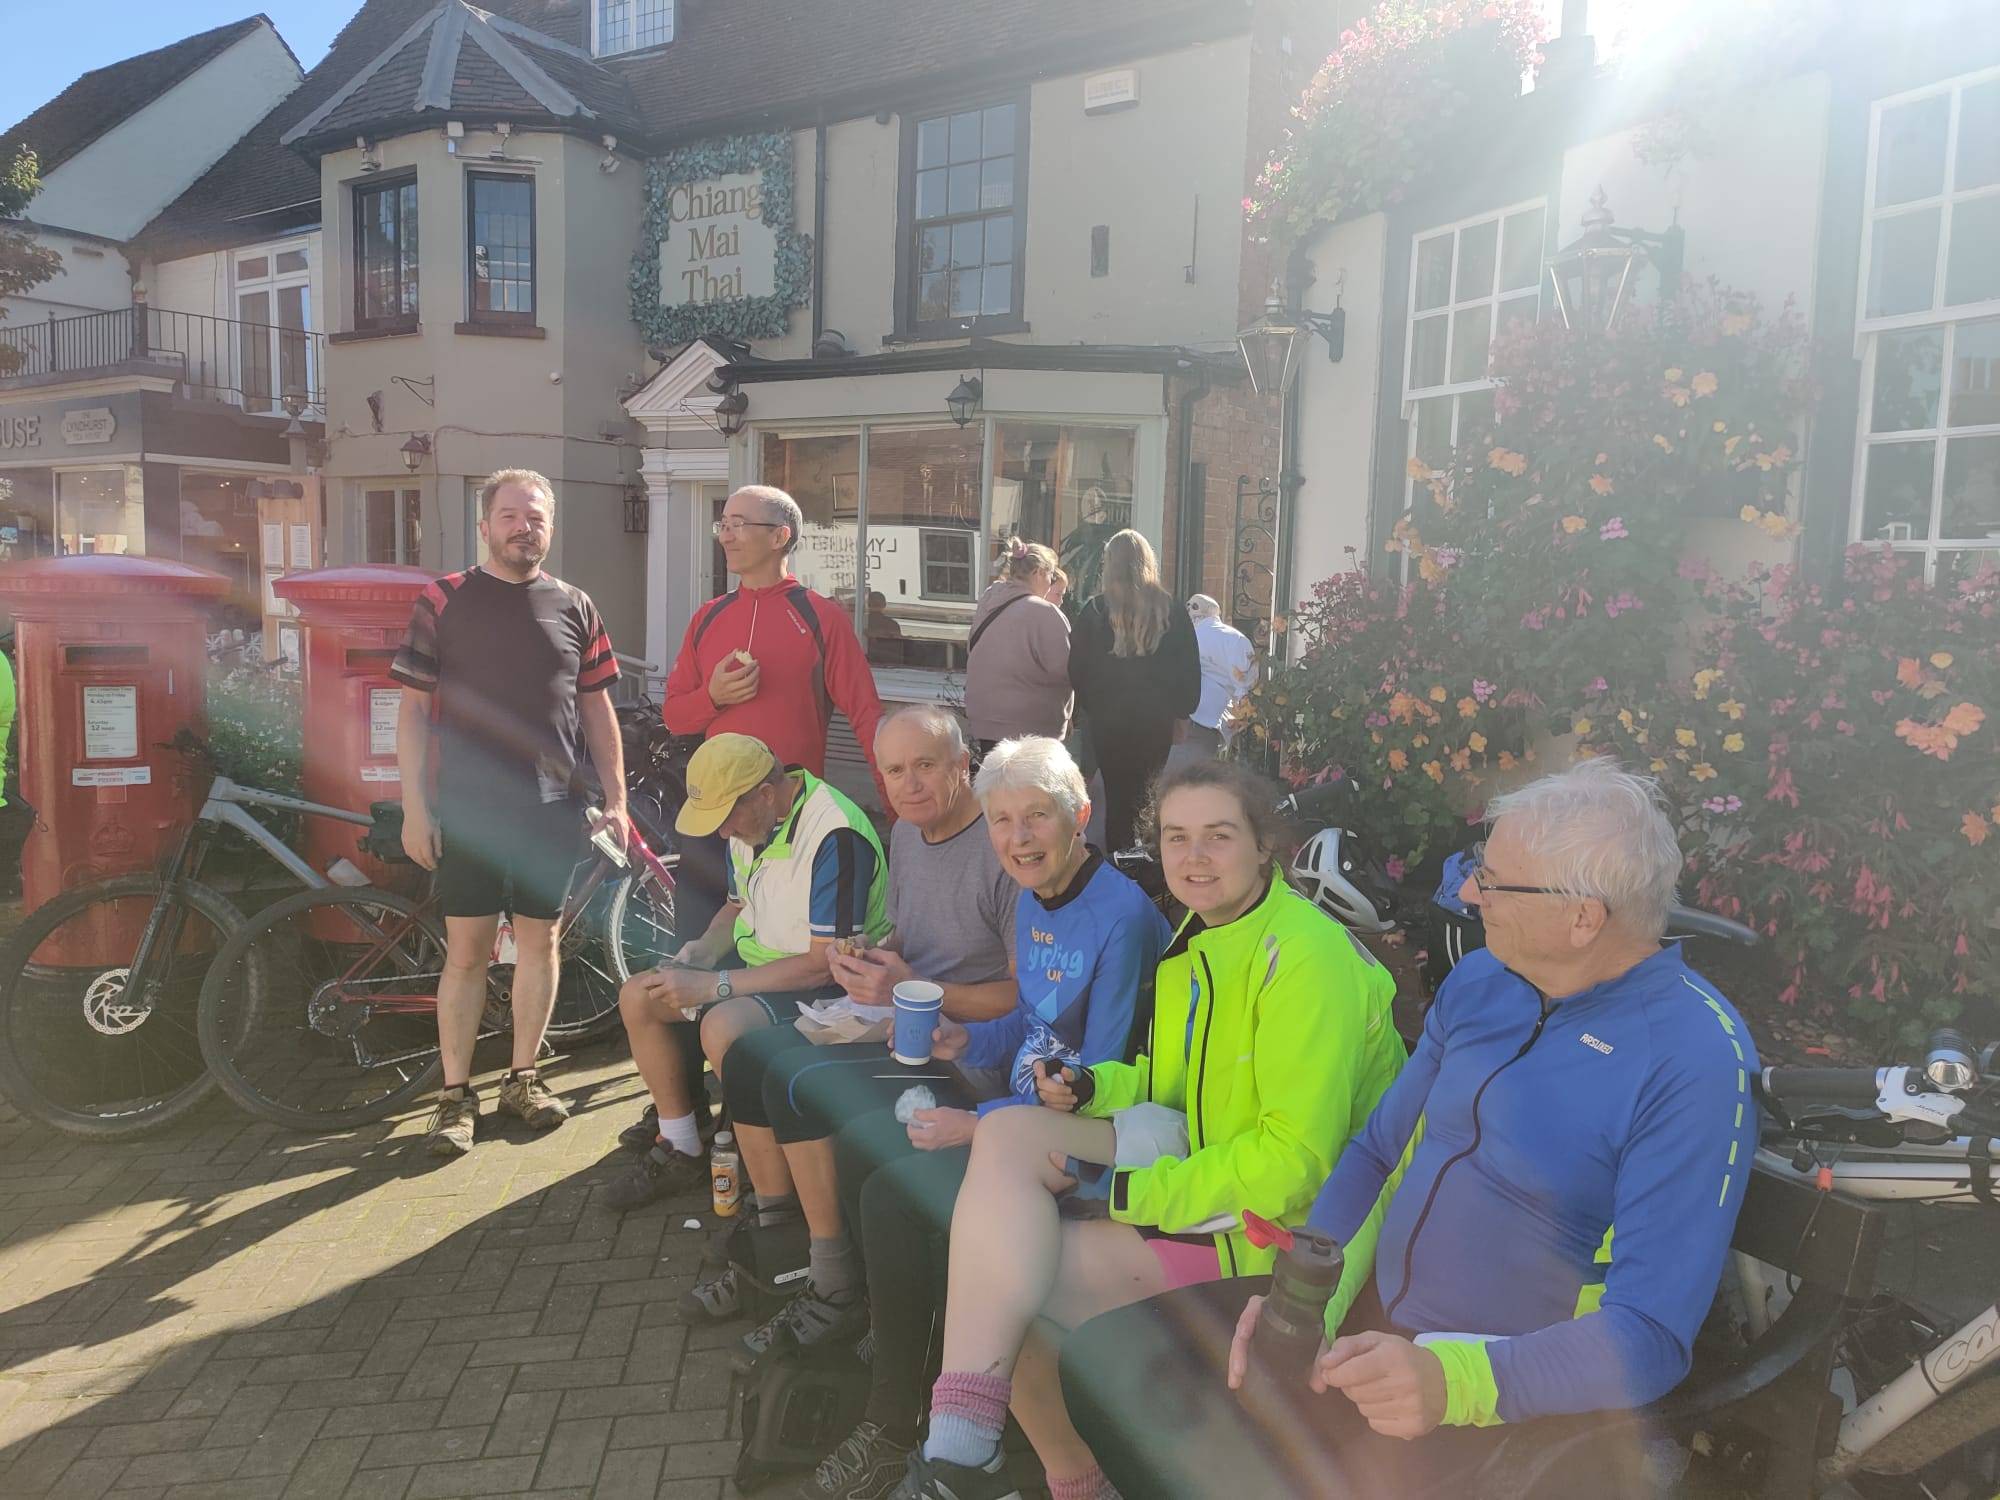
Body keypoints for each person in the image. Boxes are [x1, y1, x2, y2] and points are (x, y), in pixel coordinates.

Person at [1162, 759, 1756, 1498]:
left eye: (1495, 882)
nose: (1469, 894)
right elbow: (1378, 1151)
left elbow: (1649, 1337)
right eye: (1479, 867)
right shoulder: (1482, 982)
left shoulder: (1692, 1058)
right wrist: (1303, 1300)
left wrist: (1451, 1383)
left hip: (1511, 1397)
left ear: (1583, 918)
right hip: (1377, 1335)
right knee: (1181, 1426)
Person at [882, 759, 1404, 1500]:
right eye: (1177, 837)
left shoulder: (1305, 959)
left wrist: (1126, 1193)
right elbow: (1171, 1086)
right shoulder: (1201, 935)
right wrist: (1094, 1087)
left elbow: (1296, 1166)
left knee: (1008, 1292)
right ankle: (964, 1441)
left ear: (1263, 845)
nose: (1194, 857)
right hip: (1212, 1166)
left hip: (1285, 1232)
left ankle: (1022, 1469)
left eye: (1218, 836)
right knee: (1004, 1147)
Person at [718, 733, 1168, 1392]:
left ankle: (903, 1404)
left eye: (1037, 815)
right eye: (1002, 820)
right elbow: (1032, 1023)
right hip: (1022, 1114)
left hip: (1085, 1145)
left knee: (892, 1195)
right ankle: (892, 1323)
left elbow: (1097, 1083)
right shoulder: (1037, 894)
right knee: (861, 1147)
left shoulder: (1121, 917)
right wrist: (962, 1041)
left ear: (1079, 814)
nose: (1018, 838)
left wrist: (980, 1124)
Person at [678, 706, 1024, 1324]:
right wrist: (870, 954)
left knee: (794, 1080)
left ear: (962, 766)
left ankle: (833, 1282)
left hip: (964, 1048)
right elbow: (911, 938)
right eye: (894, 771)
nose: (909, 785)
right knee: (750, 1059)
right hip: (896, 1016)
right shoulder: (910, 833)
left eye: (925, 766)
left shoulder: (1003, 849)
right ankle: (781, 1244)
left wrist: (908, 982)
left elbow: (1023, 998)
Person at [391, 468, 626, 1158]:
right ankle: (454, 1097)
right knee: (465, 954)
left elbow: (597, 708)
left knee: (540, 944)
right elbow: (412, 711)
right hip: (470, 809)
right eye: (511, 516)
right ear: (485, 526)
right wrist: (414, 808)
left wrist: (616, 799)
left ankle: (524, 1079)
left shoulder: (576, 605)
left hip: (552, 807)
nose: (526, 528)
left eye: (537, 518)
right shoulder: (443, 599)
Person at [605, 732, 889, 1212]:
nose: (721, 834)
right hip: (768, 975)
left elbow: (825, 963)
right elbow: (736, 907)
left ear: (765, 794)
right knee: (638, 997)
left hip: (833, 988)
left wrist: (715, 984)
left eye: (726, 818)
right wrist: (703, 951)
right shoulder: (753, 824)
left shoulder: (835, 833)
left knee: (722, 1025)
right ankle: (683, 1144)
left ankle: (772, 1182)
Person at [1068, 530, 1198, 853]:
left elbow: (1076, 670)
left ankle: (1121, 858)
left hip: (1109, 723)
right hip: (1155, 722)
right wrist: (1182, 712)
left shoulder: (1095, 611)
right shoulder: (1172, 611)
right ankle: (1145, 858)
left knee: (1117, 797)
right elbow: (1188, 671)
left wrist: (1090, 707)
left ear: (1109, 564)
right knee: (1146, 795)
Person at [965, 540, 1072, 757]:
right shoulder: (1045, 613)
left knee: (995, 777)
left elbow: (972, 649)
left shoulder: (988, 602)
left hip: (985, 722)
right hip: (1032, 727)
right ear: (1038, 573)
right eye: (1050, 576)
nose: (1050, 584)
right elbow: (1066, 670)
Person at [1178, 593, 1257, 762]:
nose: (1190, 610)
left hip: (1182, 717)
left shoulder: (1183, 637)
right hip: (1211, 720)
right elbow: (1247, 683)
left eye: (1193, 606)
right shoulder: (1235, 639)